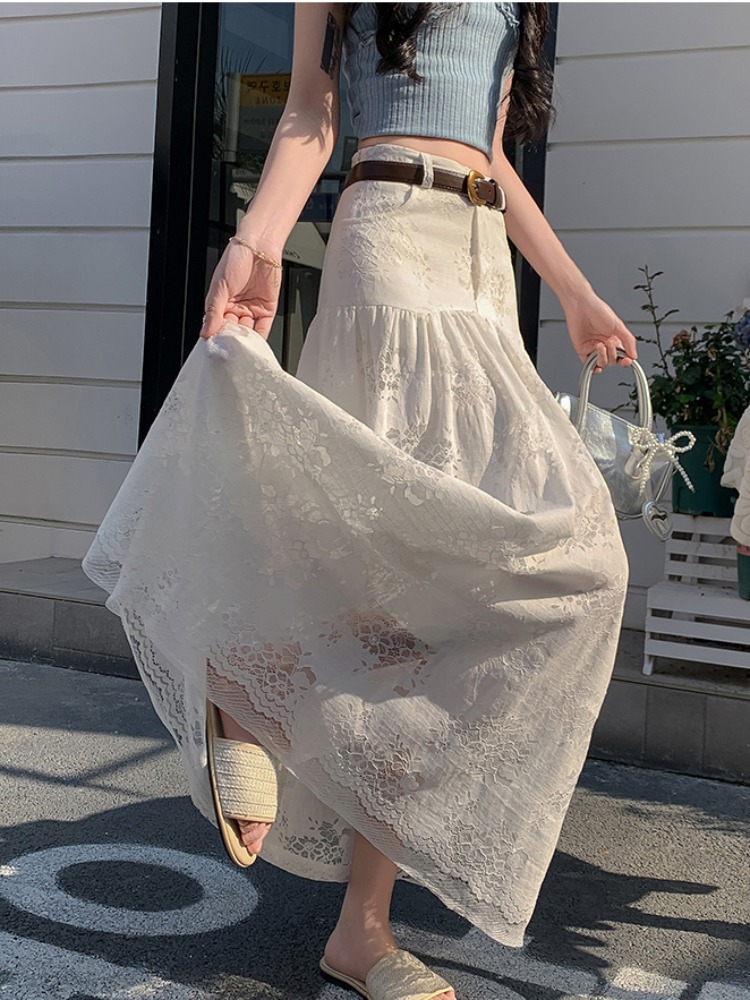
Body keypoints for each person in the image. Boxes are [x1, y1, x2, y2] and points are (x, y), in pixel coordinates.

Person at [83, 4, 638, 999]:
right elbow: (312, 111)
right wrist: (256, 245)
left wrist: (574, 291)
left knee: (553, 571)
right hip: (385, 241)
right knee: (396, 591)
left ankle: (279, 733)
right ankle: (360, 918)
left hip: (482, 270)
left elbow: (492, 156)